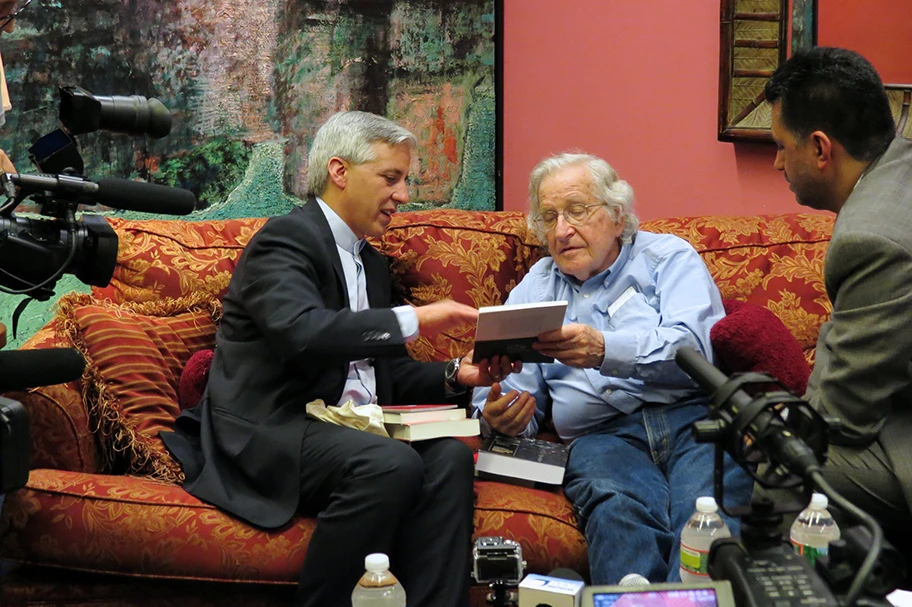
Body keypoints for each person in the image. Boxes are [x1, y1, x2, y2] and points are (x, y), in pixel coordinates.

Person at [162, 111, 519, 607]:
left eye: (405, 179)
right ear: (339, 171)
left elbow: (381, 373)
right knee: (387, 463)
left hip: (352, 428)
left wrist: (457, 374)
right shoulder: (284, 240)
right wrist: (415, 318)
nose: (403, 194)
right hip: (275, 428)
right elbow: (303, 332)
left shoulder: (370, 261)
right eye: (390, 178)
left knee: (450, 456)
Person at [471, 153, 753, 584]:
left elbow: (696, 350)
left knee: (706, 511)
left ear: (617, 217)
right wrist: (499, 417)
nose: (562, 230)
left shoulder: (667, 258)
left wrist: (605, 350)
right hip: (599, 439)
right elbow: (506, 384)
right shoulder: (534, 289)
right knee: (617, 510)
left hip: (693, 419)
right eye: (549, 217)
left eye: (577, 210)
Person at [764, 46, 912, 536]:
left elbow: (844, 415)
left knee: (779, 469)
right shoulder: (901, 167)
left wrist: (782, 428)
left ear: (822, 149)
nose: (777, 162)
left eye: (783, 145)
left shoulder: (872, 239)